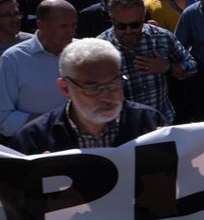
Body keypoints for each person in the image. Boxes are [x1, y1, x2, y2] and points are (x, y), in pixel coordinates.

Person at [8, 38, 164, 155]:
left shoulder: (149, 123)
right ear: (65, 89)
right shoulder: (34, 140)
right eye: (93, 88)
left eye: (114, 84)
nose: (107, 96)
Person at [99, 0, 198, 125]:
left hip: (162, 123)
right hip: (122, 131)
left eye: (134, 25)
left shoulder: (161, 37)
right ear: (112, 19)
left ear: (143, 16)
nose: (128, 31)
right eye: (121, 26)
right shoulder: (100, 48)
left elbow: (192, 66)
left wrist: (167, 68)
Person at [0, 0, 78, 142]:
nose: (70, 32)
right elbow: (4, 118)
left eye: (74, 25)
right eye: (63, 26)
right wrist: (51, 124)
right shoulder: (13, 59)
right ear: (41, 25)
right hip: (35, 146)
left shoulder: (82, 52)